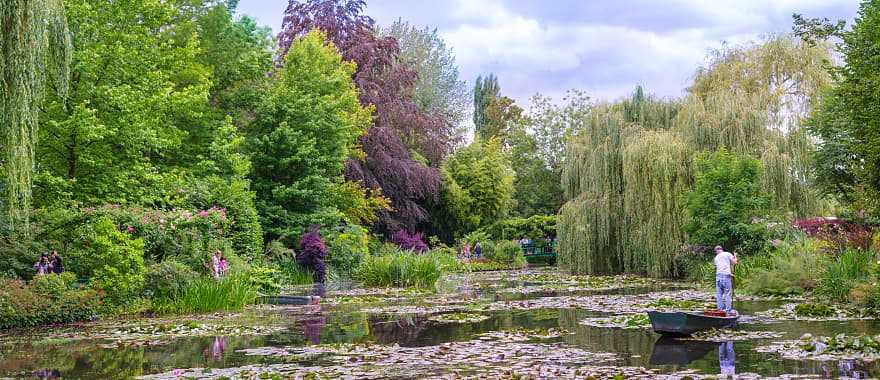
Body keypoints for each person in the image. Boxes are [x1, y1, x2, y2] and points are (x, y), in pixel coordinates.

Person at [713, 245, 737, 314]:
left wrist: (730, 274)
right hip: (726, 276)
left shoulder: (716, 258)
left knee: (719, 294)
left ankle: (720, 310)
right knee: (728, 294)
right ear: (721, 249)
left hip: (718, 276)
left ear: (717, 251)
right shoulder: (727, 254)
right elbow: (734, 263)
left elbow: (720, 267)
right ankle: (728, 310)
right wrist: (735, 256)